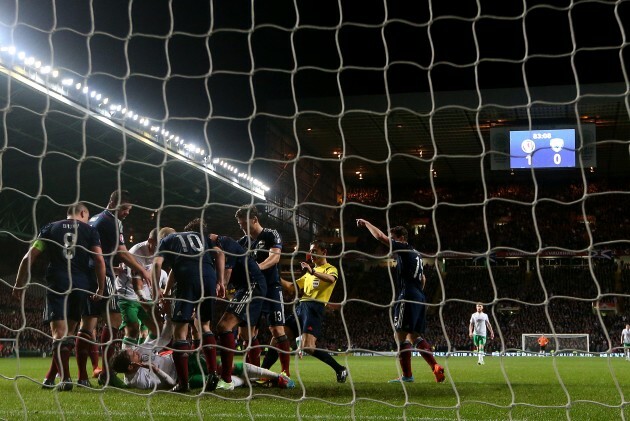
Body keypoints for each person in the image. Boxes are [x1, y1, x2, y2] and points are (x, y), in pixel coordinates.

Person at [11, 203, 106, 391]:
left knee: (58, 334)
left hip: (58, 283)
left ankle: (65, 378)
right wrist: (101, 288)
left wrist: (19, 283)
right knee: (70, 332)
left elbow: (29, 256)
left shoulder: (51, 228)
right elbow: (99, 260)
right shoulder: (90, 230)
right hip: (80, 285)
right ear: (83, 213)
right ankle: (58, 377)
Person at [77, 190, 151, 388]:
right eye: (125, 208)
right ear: (114, 203)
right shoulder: (112, 221)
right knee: (114, 323)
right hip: (101, 276)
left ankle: (83, 376)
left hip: (86, 275)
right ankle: (107, 374)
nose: (127, 213)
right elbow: (122, 252)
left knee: (87, 327)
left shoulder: (94, 218)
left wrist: (113, 266)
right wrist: (142, 269)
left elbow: (100, 251)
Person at [356, 219, 444, 383]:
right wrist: (417, 294)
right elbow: (423, 278)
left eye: (393, 238)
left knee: (399, 336)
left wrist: (366, 223)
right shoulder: (416, 253)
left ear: (402, 238)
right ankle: (435, 366)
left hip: (408, 295)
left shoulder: (403, 248)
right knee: (414, 336)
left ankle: (407, 376)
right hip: (419, 296)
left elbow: (380, 237)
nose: (391, 242)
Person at [153, 222, 224, 393]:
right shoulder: (200, 236)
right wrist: (221, 281)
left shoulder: (167, 240)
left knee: (180, 331)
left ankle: (183, 384)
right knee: (205, 325)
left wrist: (157, 289)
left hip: (188, 277)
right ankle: (213, 372)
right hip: (208, 275)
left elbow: (156, 265)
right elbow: (220, 253)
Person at [208, 228, 268, 391]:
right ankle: (255, 376)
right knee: (246, 335)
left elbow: (227, 270)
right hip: (248, 286)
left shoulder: (225, 243)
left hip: (251, 285)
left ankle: (226, 380)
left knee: (223, 326)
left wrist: (222, 287)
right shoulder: (221, 244)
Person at [279, 240, 348, 383]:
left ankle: (340, 368)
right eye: (310, 251)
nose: (311, 254)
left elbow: (330, 279)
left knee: (308, 347)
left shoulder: (330, 269)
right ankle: (262, 372)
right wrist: (275, 277)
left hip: (314, 308)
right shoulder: (308, 273)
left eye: (314, 251)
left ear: (324, 252)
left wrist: (313, 271)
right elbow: (292, 286)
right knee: (279, 337)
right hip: (300, 307)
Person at [235, 205, 291, 376]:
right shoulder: (243, 243)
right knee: (248, 333)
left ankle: (285, 372)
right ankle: (255, 373)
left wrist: (256, 268)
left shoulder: (270, 234)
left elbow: (275, 257)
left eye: (244, 223)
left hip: (272, 288)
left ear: (255, 219)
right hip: (253, 290)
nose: (242, 227)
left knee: (277, 330)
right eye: (239, 224)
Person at [115, 228, 168, 348]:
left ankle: (143, 354)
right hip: (128, 292)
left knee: (157, 329)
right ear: (150, 240)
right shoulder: (136, 252)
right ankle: (127, 361)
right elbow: (136, 283)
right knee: (133, 329)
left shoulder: (160, 252)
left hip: (146, 292)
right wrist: (143, 300)